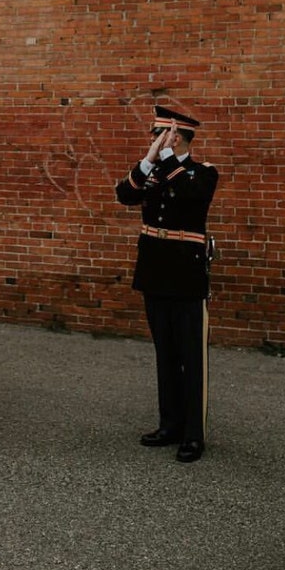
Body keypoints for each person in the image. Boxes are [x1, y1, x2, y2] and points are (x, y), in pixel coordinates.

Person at [115, 106, 219, 463]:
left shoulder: (201, 172)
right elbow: (124, 195)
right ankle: (169, 425)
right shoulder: (154, 172)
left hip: (186, 277)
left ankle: (193, 434)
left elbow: (193, 196)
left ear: (176, 137)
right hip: (155, 272)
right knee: (166, 354)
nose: (155, 141)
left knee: (191, 357)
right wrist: (147, 160)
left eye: (161, 136)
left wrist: (169, 158)